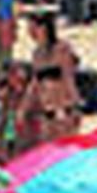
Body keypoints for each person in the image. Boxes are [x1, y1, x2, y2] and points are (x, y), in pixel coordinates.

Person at [25, 11, 81, 144]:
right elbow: (36, 83)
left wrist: (75, 107)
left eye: (33, 28)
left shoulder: (62, 49)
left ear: (44, 28)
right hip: (46, 112)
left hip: (63, 109)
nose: (31, 33)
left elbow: (68, 79)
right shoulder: (36, 54)